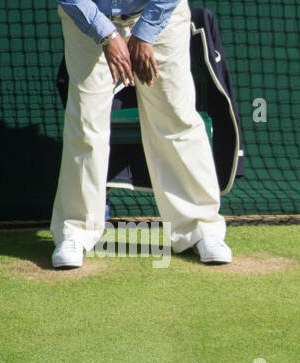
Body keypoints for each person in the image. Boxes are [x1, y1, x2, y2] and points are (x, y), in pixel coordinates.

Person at [50, 0, 231, 268]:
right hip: (89, 20)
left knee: (176, 118)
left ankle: (201, 228)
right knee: (86, 125)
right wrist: (106, 34)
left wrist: (146, 32)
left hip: (159, 16)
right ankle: (75, 230)